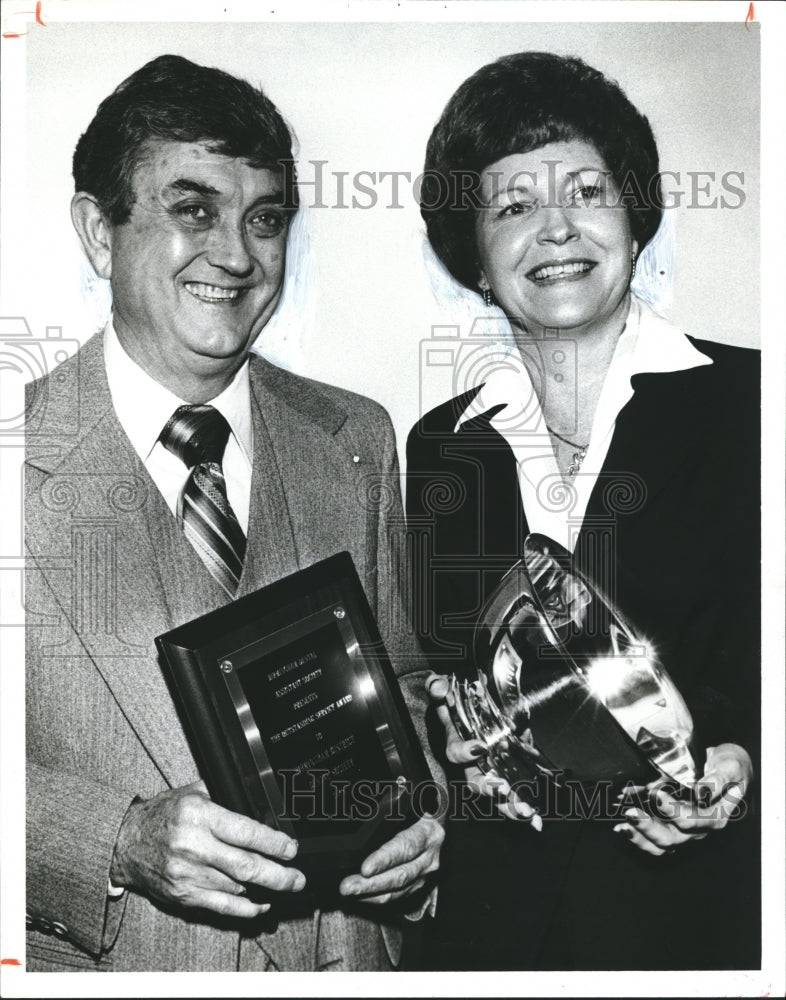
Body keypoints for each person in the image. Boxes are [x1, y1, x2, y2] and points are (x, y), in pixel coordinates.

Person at [24, 54, 443, 973]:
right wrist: (115, 840)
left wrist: (424, 815)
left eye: (265, 219)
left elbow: (408, 690)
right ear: (100, 232)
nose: (238, 255)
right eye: (192, 210)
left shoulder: (357, 438)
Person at [406, 51, 759, 971]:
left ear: (636, 220)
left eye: (586, 192)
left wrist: (745, 764)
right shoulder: (440, 446)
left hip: (697, 924)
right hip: (493, 928)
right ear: (475, 259)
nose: (555, 230)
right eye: (513, 206)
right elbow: (450, 667)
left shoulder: (757, 406)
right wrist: (459, 744)